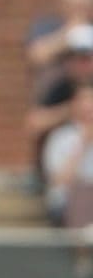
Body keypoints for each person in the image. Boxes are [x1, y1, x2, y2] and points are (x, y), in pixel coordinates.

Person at [27, 23, 93, 183]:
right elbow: (34, 123)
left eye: (85, 58)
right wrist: (72, 110)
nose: (80, 64)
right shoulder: (60, 86)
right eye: (73, 57)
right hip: (63, 155)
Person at [42, 84, 93, 226]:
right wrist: (83, 143)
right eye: (84, 100)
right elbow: (59, 181)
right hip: (68, 204)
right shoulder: (61, 137)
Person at [26, 0, 93, 71]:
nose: (78, 11)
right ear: (62, 4)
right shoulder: (47, 25)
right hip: (56, 83)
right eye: (73, 5)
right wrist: (69, 33)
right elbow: (37, 56)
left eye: (82, 6)